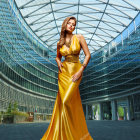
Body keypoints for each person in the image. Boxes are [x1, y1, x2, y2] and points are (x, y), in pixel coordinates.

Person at [41, 16, 93, 140]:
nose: (71, 26)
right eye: (69, 23)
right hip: (63, 74)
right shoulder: (60, 43)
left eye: (73, 24)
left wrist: (81, 70)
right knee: (64, 103)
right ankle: (65, 134)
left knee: (65, 102)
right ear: (65, 25)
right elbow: (58, 56)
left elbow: (88, 55)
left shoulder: (79, 37)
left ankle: (74, 134)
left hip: (76, 71)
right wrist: (58, 62)